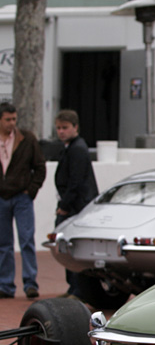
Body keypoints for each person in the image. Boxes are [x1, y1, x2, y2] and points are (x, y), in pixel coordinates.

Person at [0, 101, 46, 299]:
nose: (12, 123)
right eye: (8, 119)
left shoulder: (26, 139)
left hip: (22, 197)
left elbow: (40, 167)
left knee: (26, 239)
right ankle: (5, 284)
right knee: (4, 243)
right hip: (1, 197)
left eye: (14, 119)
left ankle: (30, 283)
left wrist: (31, 190)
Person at [54, 110, 99, 298]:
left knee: (72, 249)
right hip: (72, 205)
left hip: (76, 207)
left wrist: (64, 205)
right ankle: (72, 287)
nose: (61, 132)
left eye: (65, 128)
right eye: (58, 128)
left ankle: (78, 290)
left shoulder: (78, 149)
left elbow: (76, 181)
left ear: (75, 127)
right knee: (65, 247)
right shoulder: (70, 148)